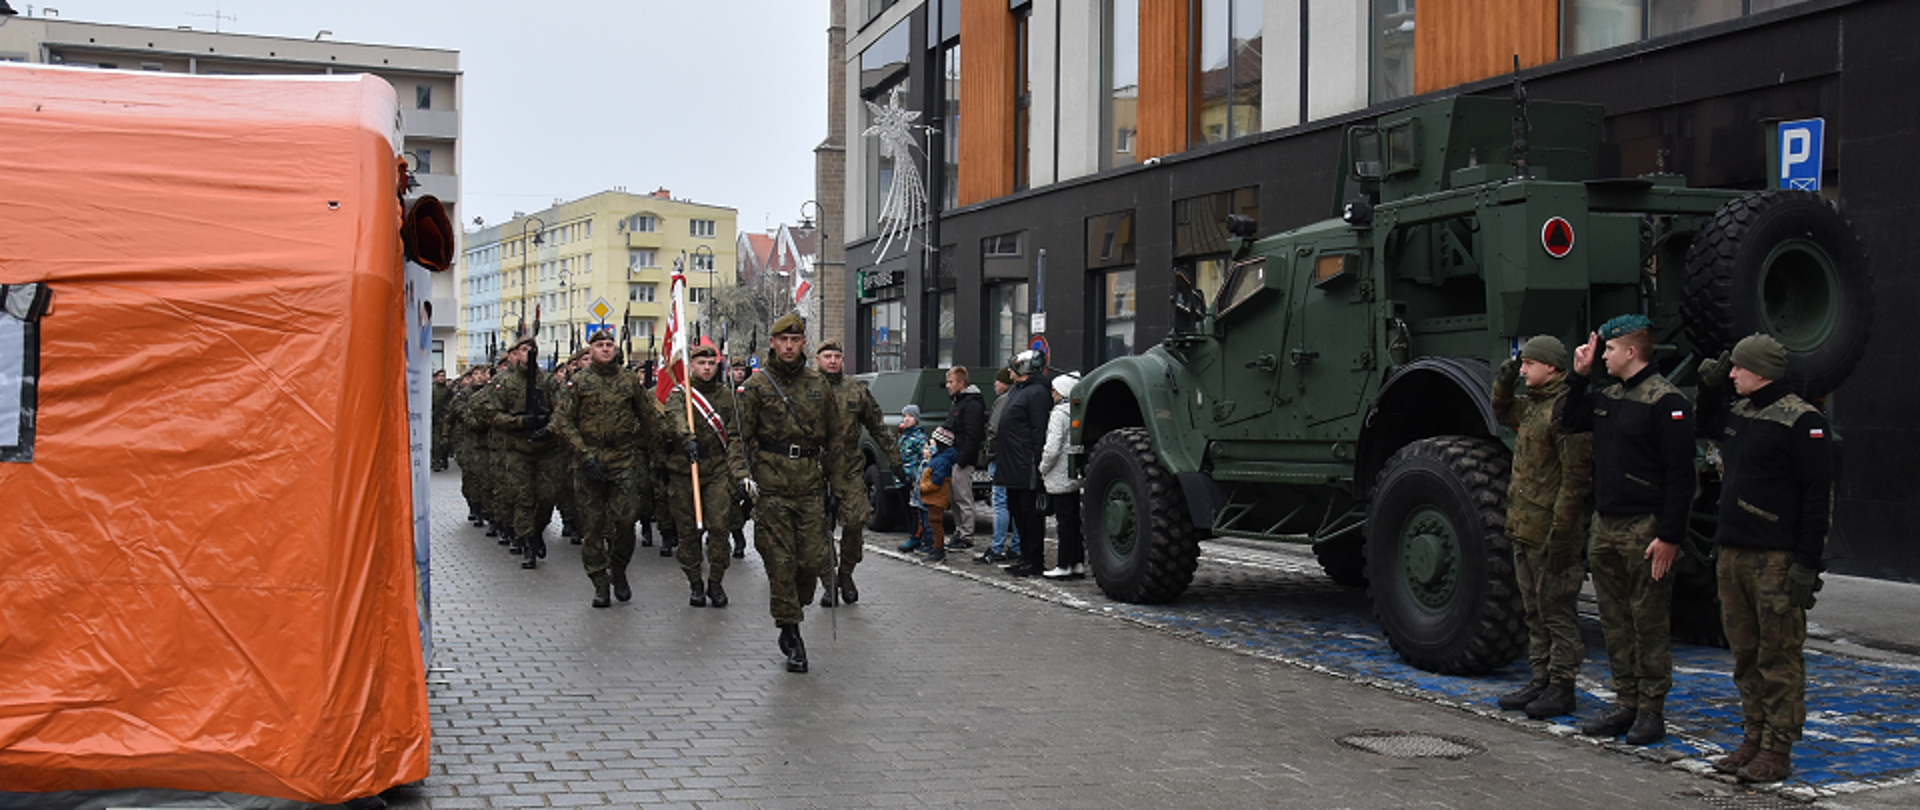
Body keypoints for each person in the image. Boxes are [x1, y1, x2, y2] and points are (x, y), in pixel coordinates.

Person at [1699, 334, 1832, 783]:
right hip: (1734, 552)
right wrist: (1708, 387)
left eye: (1738, 367)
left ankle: (1777, 747)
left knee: (1779, 657)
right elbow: (1706, 423)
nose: (1732, 373)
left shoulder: (1802, 421)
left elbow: (1817, 500)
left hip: (1775, 558)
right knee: (1745, 654)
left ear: (1761, 371)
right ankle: (1753, 737)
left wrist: (1807, 565)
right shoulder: (1742, 413)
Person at [1558, 313, 1694, 745]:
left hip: (1645, 529)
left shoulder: (1666, 402)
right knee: (1615, 620)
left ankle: (1651, 711)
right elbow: (1567, 419)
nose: (1605, 357)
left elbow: (1680, 476)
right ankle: (1626, 702)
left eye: (1610, 350)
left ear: (1632, 351)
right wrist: (1578, 376)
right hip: (1607, 526)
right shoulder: (1608, 397)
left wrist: (1670, 536)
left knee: (1648, 622)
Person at [736, 313, 852, 673]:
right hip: (771, 488)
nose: (788, 346)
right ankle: (792, 632)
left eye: (795, 340)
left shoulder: (819, 385)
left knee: (814, 561)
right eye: (782, 340)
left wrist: (838, 487)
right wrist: (743, 477)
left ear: (803, 344)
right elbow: (738, 438)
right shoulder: (757, 387)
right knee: (781, 562)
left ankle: (793, 611)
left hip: (810, 486)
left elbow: (836, 440)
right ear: (772, 343)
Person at [1490, 336, 1593, 719]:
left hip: (1550, 530)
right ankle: (1541, 677)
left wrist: (1562, 534)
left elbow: (1575, 480)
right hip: (1524, 525)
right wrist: (1504, 376)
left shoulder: (1564, 412)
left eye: (1530, 363)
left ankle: (1562, 685)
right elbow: (1501, 410)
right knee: (1534, 609)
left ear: (1551, 367)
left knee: (1556, 610)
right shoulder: (1533, 407)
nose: (1524, 369)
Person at [551, 329, 662, 608]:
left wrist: (658, 456)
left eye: (609, 345)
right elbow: (563, 422)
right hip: (589, 461)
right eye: (600, 345)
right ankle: (600, 582)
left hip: (623, 459)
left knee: (626, 522)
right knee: (593, 526)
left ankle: (619, 568)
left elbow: (648, 416)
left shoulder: (628, 380)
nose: (605, 349)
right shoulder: (579, 381)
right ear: (591, 350)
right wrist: (585, 454)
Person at [816, 339, 903, 606]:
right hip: (814, 470)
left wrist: (894, 457)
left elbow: (877, 424)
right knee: (818, 531)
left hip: (849, 468)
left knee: (855, 522)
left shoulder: (855, 390)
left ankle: (846, 574)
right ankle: (828, 583)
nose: (832, 361)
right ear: (817, 359)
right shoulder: (805, 388)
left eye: (837, 356)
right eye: (827, 356)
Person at [664, 344, 751, 608]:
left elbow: (735, 435)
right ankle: (695, 583)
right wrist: (687, 438)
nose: (706, 368)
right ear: (692, 366)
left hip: (716, 472)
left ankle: (715, 580)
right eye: (701, 363)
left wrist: (739, 474)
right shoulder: (680, 394)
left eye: (711, 364)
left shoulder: (727, 397)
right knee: (688, 532)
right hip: (685, 471)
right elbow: (675, 417)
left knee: (719, 527)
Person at [473, 336, 565, 570]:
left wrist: (548, 428)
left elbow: (562, 410)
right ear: (515, 353)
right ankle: (527, 545)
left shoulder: (547, 382)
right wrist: (518, 422)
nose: (528, 353)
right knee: (523, 499)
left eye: (532, 349)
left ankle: (536, 532)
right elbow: (488, 413)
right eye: (523, 350)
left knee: (547, 497)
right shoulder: (504, 382)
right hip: (517, 450)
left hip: (546, 449)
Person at [994, 350, 1053, 578]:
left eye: (1014, 367)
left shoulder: (1037, 392)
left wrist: (1039, 463)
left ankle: (1034, 559)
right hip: (1011, 463)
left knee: (1030, 513)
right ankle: (1025, 557)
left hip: (1025, 463)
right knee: (1017, 510)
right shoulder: (1019, 391)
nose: (1010, 371)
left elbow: (1039, 430)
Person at [1040, 373, 1086, 580]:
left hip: (1058, 475)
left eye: (1054, 390)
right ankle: (1077, 562)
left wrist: (1042, 469)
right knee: (1074, 521)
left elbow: (1052, 448)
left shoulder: (1058, 414)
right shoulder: (1077, 412)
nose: (1052, 394)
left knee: (1064, 523)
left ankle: (1064, 564)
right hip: (1074, 474)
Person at [975, 367, 1022, 565]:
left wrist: (988, 455)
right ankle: (1017, 546)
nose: (995, 384)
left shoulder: (1003, 401)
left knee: (1001, 503)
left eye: (998, 381)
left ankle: (997, 547)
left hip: (1000, 459)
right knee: (1016, 505)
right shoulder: (1021, 397)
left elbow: (993, 430)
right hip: (1016, 459)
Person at [945, 366, 986, 551]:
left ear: (961, 383)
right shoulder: (958, 402)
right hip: (955, 456)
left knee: (963, 497)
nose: (948, 386)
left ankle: (966, 535)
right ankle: (959, 531)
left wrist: (963, 458)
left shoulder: (971, 404)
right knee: (954, 498)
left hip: (963, 458)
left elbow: (973, 434)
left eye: (951, 382)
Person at [895, 404, 932, 554]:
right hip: (901, 478)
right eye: (904, 416)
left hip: (913, 478)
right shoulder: (903, 436)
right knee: (905, 507)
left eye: (910, 416)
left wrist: (916, 477)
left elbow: (923, 458)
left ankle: (917, 535)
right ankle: (912, 533)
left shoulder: (919, 437)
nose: (906, 419)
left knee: (914, 509)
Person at [727, 354, 755, 559]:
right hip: (728, 452)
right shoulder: (723, 394)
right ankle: (737, 538)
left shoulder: (752, 391)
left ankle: (736, 525)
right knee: (730, 498)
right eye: (735, 369)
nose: (738, 373)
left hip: (752, 452)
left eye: (741, 370)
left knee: (751, 498)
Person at [918, 427, 958, 562]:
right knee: (933, 524)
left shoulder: (941, 461)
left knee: (935, 525)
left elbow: (936, 482)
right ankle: (937, 548)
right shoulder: (940, 459)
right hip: (934, 499)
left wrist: (923, 487)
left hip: (936, 499)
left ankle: (938, 550)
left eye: (933, 442)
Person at [431, 369, 451, 471]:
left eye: (443, 376)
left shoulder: (449, 391)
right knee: (436, 441)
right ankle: (436, 461)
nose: (441, 378)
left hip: (446, 419)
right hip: (436, 418)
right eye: (439, 376)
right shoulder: (433, 390)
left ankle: (444, 459)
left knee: (445, 441)